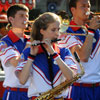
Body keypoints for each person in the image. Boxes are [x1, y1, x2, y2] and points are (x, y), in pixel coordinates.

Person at [15, 12, 78, 100]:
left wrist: (54, 54)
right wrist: (31, 57)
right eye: (53, 30)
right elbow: (22, 80)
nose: (57, 33)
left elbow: (71, 77)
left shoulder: (64, 51)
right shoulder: (28, 52)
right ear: (42, 31)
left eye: (58, 29)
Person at [58, 0, 100, 100]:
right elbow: (83, 57)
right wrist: (91, 32)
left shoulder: (95, 30)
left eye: (88, 6)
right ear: (73, 10)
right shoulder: (66, 33)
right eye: (83, 6)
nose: (87, 10)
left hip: (97, 87)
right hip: (78, 88)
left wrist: (92, 30)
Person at [0, 4, 30, 100]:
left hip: (33, 92)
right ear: (11, 19)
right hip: (15, 93)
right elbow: (16, 62)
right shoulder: (4, 42)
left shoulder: (31, 40)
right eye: (21, 16)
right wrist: (30, 45)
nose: (25, 19)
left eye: (27, 16)